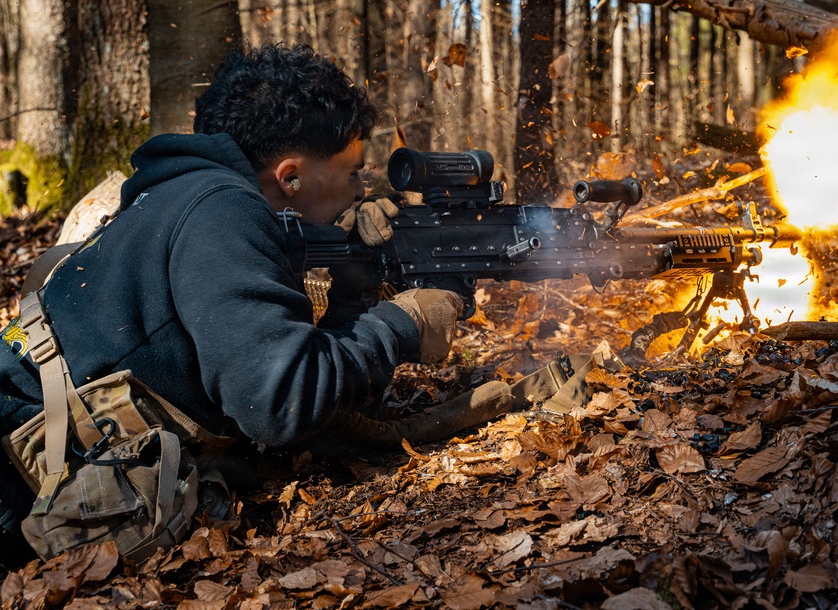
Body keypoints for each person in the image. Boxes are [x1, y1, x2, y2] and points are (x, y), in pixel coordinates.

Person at [0, 42, 487, 568]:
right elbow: (280, 403)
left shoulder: (182, 192)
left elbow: (289, 385)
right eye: (350, 173)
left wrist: (355, 285)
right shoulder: (223, 211)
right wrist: (402, 324)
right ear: (290, 176)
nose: (358, 190)